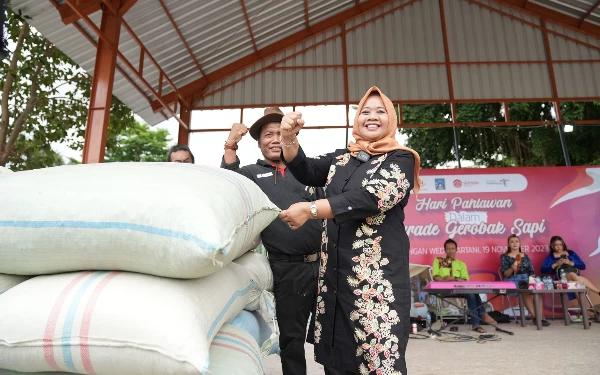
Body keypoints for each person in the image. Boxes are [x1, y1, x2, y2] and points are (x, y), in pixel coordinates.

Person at [278, 87, 420, 375]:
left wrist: (311, 210)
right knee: (337, 358)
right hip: (335, 279)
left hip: (375, 283)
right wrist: (288, 137)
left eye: (380, 111)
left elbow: (371, 198)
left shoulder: (400, 159)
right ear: (357, 119)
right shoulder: (343, 158)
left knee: (379, 361)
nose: (372, 117)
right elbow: (306, 170)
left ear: (391, 119)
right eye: (365, 111)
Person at [220, 107, 323, 375]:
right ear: (259, 142)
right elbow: (230, 184)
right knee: (292, 339)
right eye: (268, 134)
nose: (275, 139)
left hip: (326, 264)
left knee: (331, 336)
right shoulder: (254, 174)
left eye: (281, 133)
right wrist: (231, 144)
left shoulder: (309, 170)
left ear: (293, 136)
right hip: (286, 268)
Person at [432, 239, 497, 333]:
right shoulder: (438, 261)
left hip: (459, 290)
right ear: (445, 250)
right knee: (473, 294)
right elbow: (435, 277)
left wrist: (452, 278)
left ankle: (476, 324)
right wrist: (444, 280)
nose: (450, 251)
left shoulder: (461, 264)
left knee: (472, 293)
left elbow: (465, 280)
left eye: (453, 248)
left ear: (456, 250)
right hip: (444, 290)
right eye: (448, 249)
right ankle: (482, 315)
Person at [500, 234, 550, 326]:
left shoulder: (525, 256)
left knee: (538, 291)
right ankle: (536, 317)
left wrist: (532, 279)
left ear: (520, 243)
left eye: (516, 241)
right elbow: (505, 274)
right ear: (508, 244)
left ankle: (539, 317)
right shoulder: (505, 257)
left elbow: (531, 271)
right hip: (513, 279)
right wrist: (512, 268)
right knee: (525, 292)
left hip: (526, 278)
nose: (514, 244)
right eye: (512, 242)